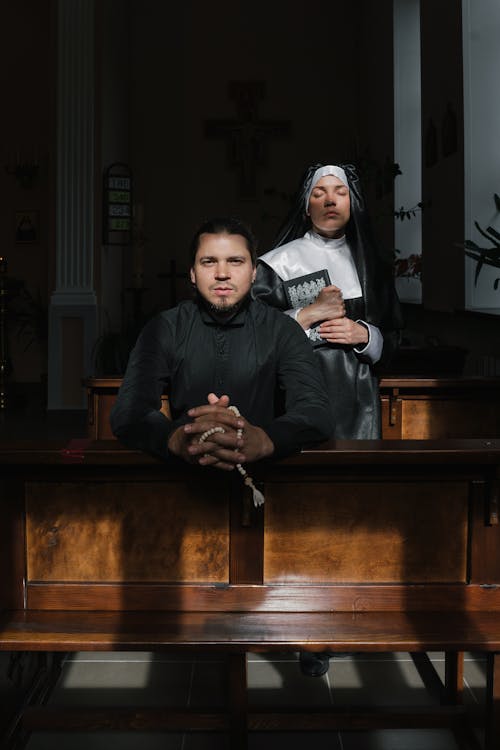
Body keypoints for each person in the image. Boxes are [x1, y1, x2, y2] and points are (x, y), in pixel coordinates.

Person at [253, 163, 403, 674]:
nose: (331, 200)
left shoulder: (372, 264)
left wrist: (367, 337)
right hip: (297, 399)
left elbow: (397, 334)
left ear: (353, 203)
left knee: (354, 510)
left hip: (357, 408)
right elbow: (252, 336)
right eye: (320, 192)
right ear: (306, 202)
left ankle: (350, 616)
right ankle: (304, 629)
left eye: (340, 192)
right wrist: (309, 325)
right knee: (299, 512)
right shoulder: (278, 264)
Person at [110, 216, 332, 480]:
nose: (222, 273)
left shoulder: (282, 330)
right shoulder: (164, 329)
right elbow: (129, 412)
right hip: (184, 484)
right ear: (192, 273)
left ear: (253, 272)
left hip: (267, 484)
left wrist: (264, 440)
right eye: (209, 261)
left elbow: (315, 411)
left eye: (235, 261)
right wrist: (177, 438)